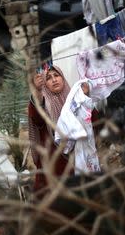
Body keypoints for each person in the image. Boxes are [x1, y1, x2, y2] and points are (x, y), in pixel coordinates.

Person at [28, 65, 96, 194]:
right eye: (48, 78)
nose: (54, 80)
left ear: (63, 78)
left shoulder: (75, 98)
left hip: (78, 159)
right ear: (44, 84)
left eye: (56, 75)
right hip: (54, 164)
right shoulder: (43, 101)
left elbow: (93, 121)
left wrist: (87, 96)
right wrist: (37, 91)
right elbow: (36, 118)